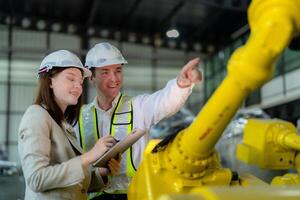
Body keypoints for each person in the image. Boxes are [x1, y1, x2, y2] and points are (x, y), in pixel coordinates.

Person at [75, 42, 203, 200]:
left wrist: (181, 84)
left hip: (134, 194)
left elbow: (165, 102)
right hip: (94, 196)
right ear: (92, 77)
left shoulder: (139, 107)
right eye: (105, 72)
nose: (114, 78)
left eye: (118, 71)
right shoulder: (79, 117)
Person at [18, 50, 121, 200]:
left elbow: (70, 184)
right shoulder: (36, 115)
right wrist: (91, 156)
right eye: (71, 79)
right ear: (50, 81)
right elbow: (37, 179)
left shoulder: (62, 123)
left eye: (80, 82)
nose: (78, 87)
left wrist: (102, 173)